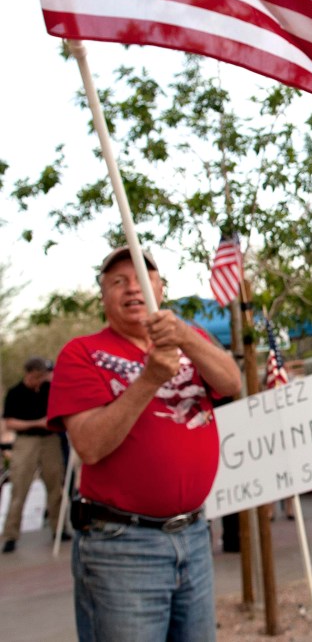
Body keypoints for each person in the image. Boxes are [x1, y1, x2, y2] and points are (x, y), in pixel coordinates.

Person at [46, 246, 242, 640]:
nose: (132, 288)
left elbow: (231, 383)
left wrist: (186, 335)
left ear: (160, 288)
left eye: (141, 279)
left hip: (194, 535)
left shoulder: (193, 339)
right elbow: (90, 445)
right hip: (123, 546)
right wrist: (149, 378)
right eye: (118, 282)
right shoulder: (82, 354)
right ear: (104, 297)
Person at [2, 357, 66, 553]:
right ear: (29, 374)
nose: (41, 380)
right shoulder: (15, 393)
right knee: (19, 487)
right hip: (26, 441)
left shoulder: (49, 389)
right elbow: (10, 422)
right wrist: (37, 422)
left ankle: (60, 528)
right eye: (38, 376)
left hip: (50, 440)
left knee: (56, 485)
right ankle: (11, 535)